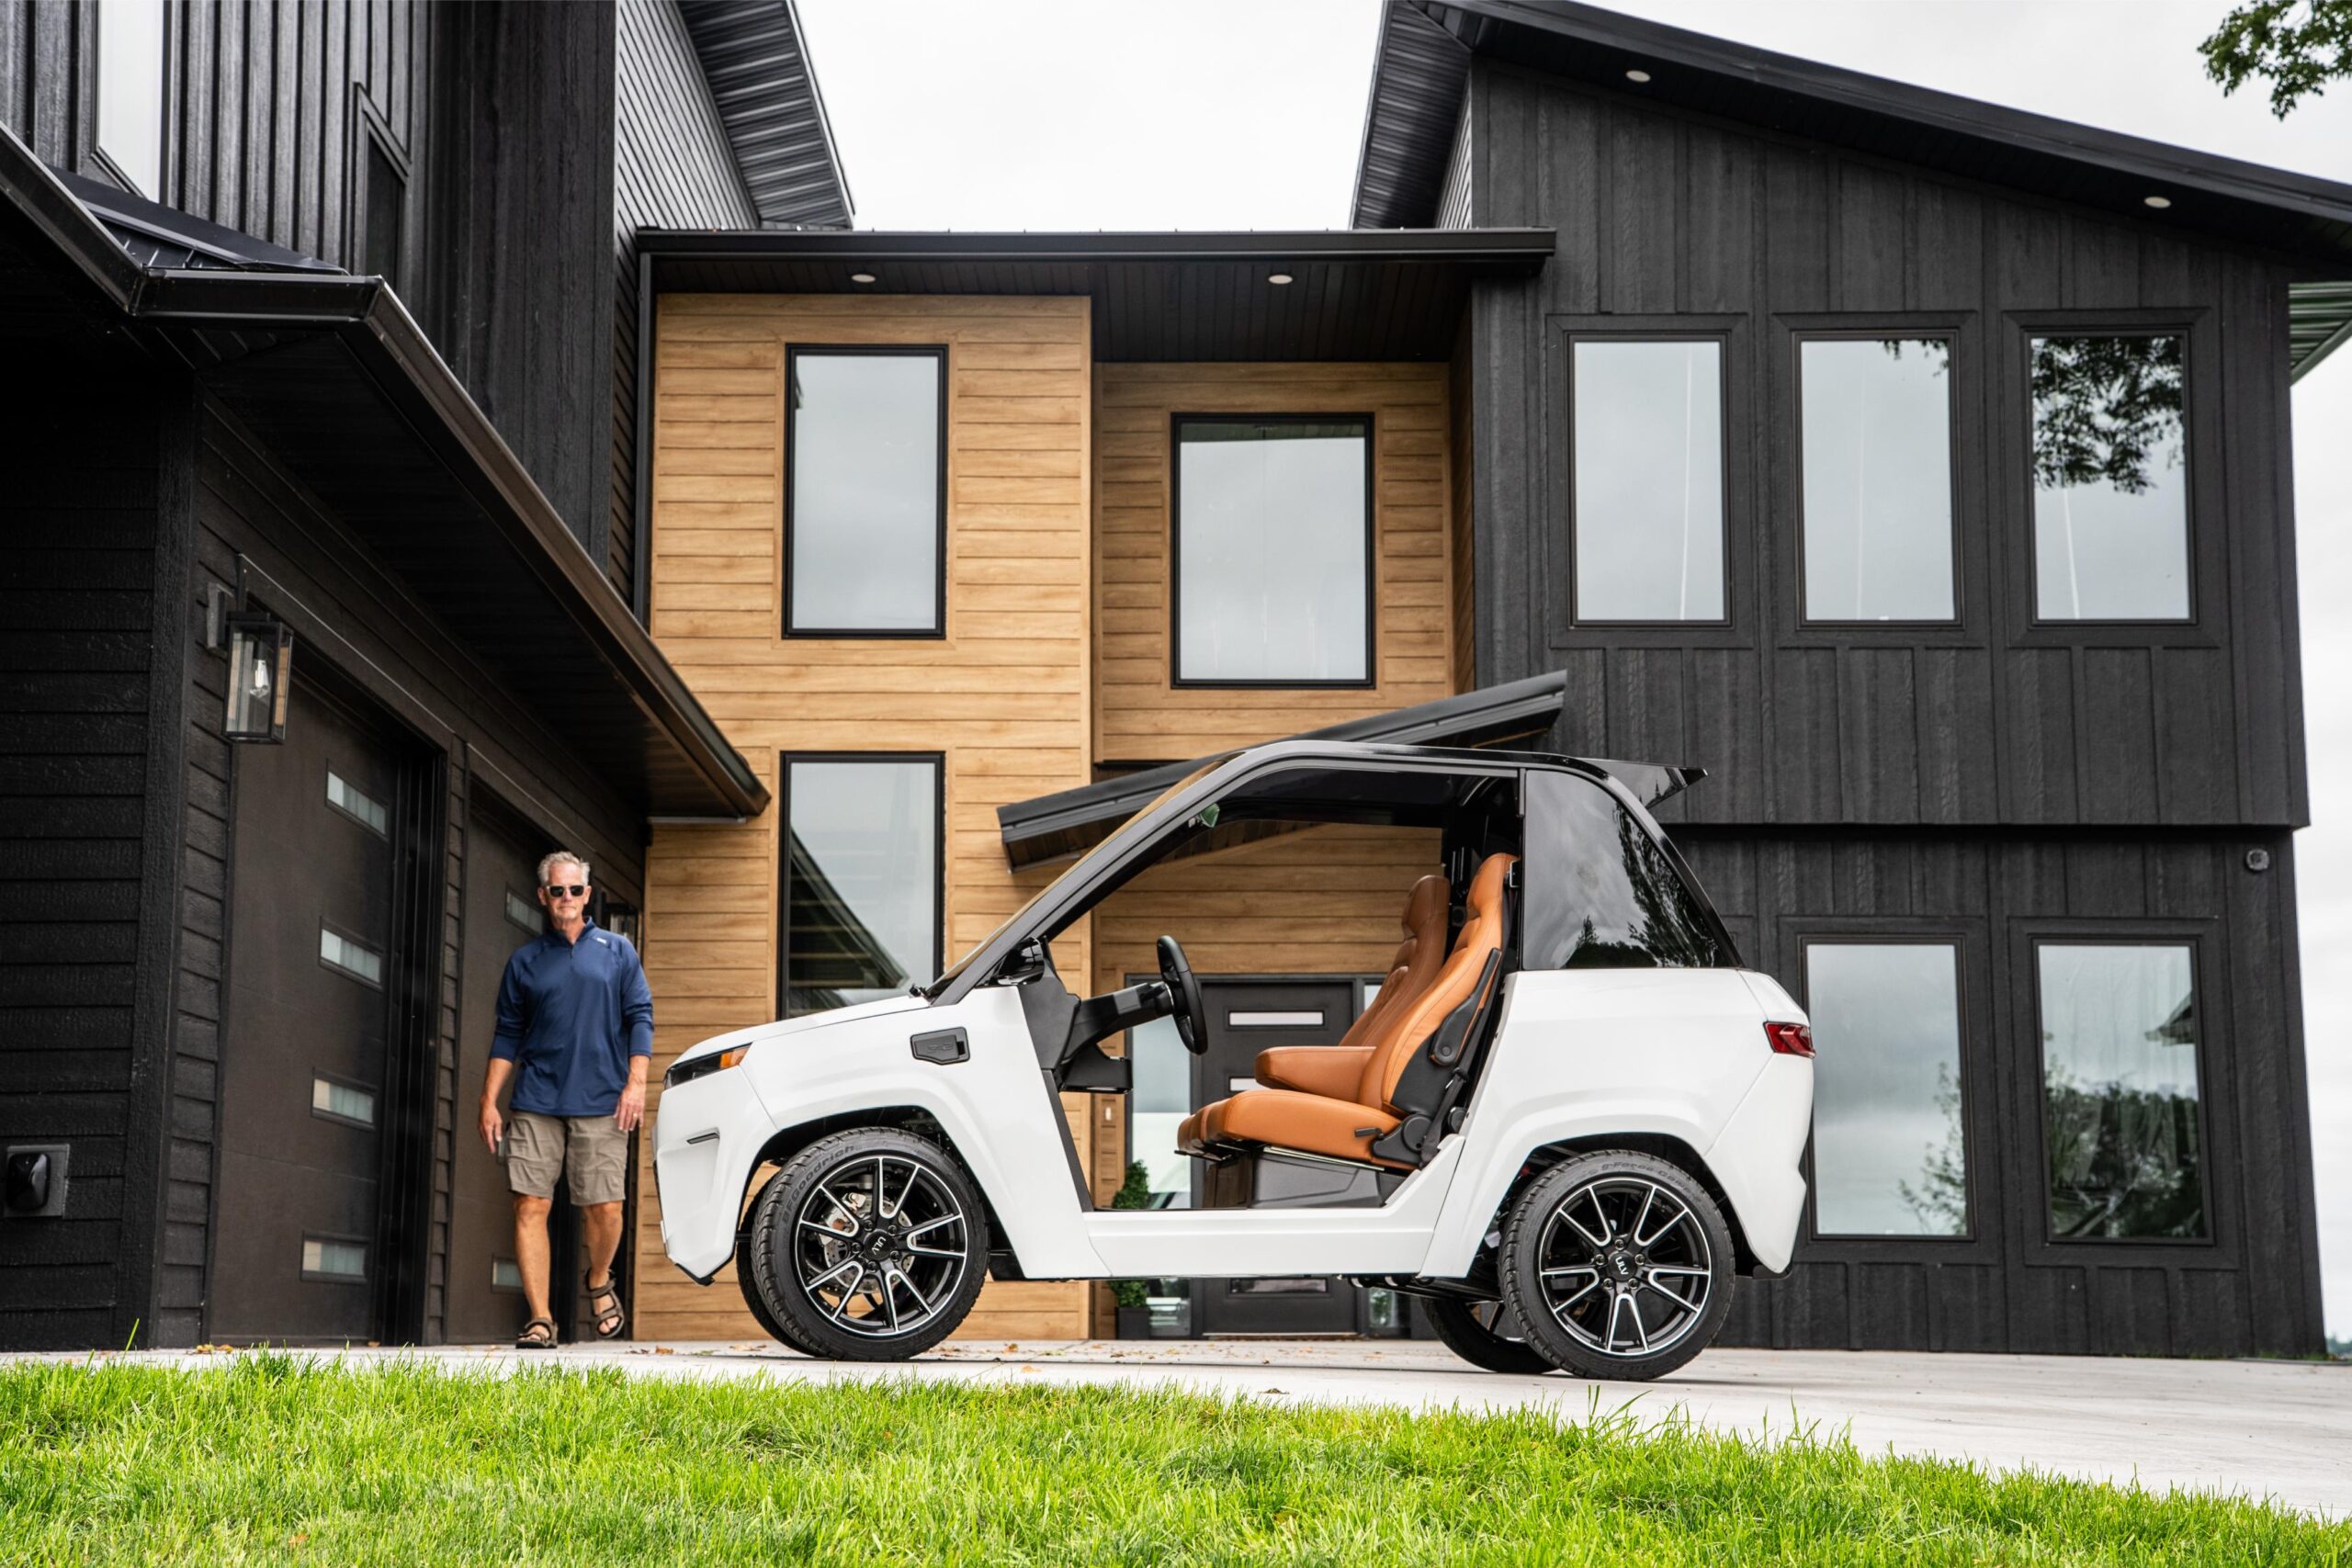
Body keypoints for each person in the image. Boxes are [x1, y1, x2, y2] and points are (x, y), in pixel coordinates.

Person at [477, 850, 652, 1348]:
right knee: (530, 1205)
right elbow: (507, 1035)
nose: (567, 899)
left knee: (607, 1209)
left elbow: (640, 1016)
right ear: (543, 896)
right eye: (558, 890)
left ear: (587, 895)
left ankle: (598, 1279)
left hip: (602, 1100)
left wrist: (636, 1083)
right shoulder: (525, 962)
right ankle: (540, 1319)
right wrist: (489, 1100)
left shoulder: (617, 952)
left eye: (576, 890)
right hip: (536, 1101)